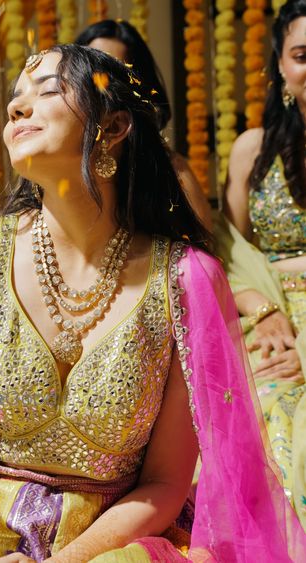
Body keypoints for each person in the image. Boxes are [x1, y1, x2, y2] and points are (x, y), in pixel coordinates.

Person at [0, 44, 304, 563]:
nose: (15, 107)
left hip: (117, 538)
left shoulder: (184, 278)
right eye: (14, 98)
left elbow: (164, 483)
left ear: (112, 127)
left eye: (47, 91)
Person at [218, 0, 306, 531]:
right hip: (270, 321)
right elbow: (225, 251)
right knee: (249, 412)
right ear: (280, 64)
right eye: (303, 55)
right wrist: (261, 306)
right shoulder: (252, 150)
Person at [75, 19, 213, 232]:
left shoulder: (168, 170)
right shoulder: (55, 158)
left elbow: (200, 245)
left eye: (113, 74)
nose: (101, 85)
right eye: (93, 71)